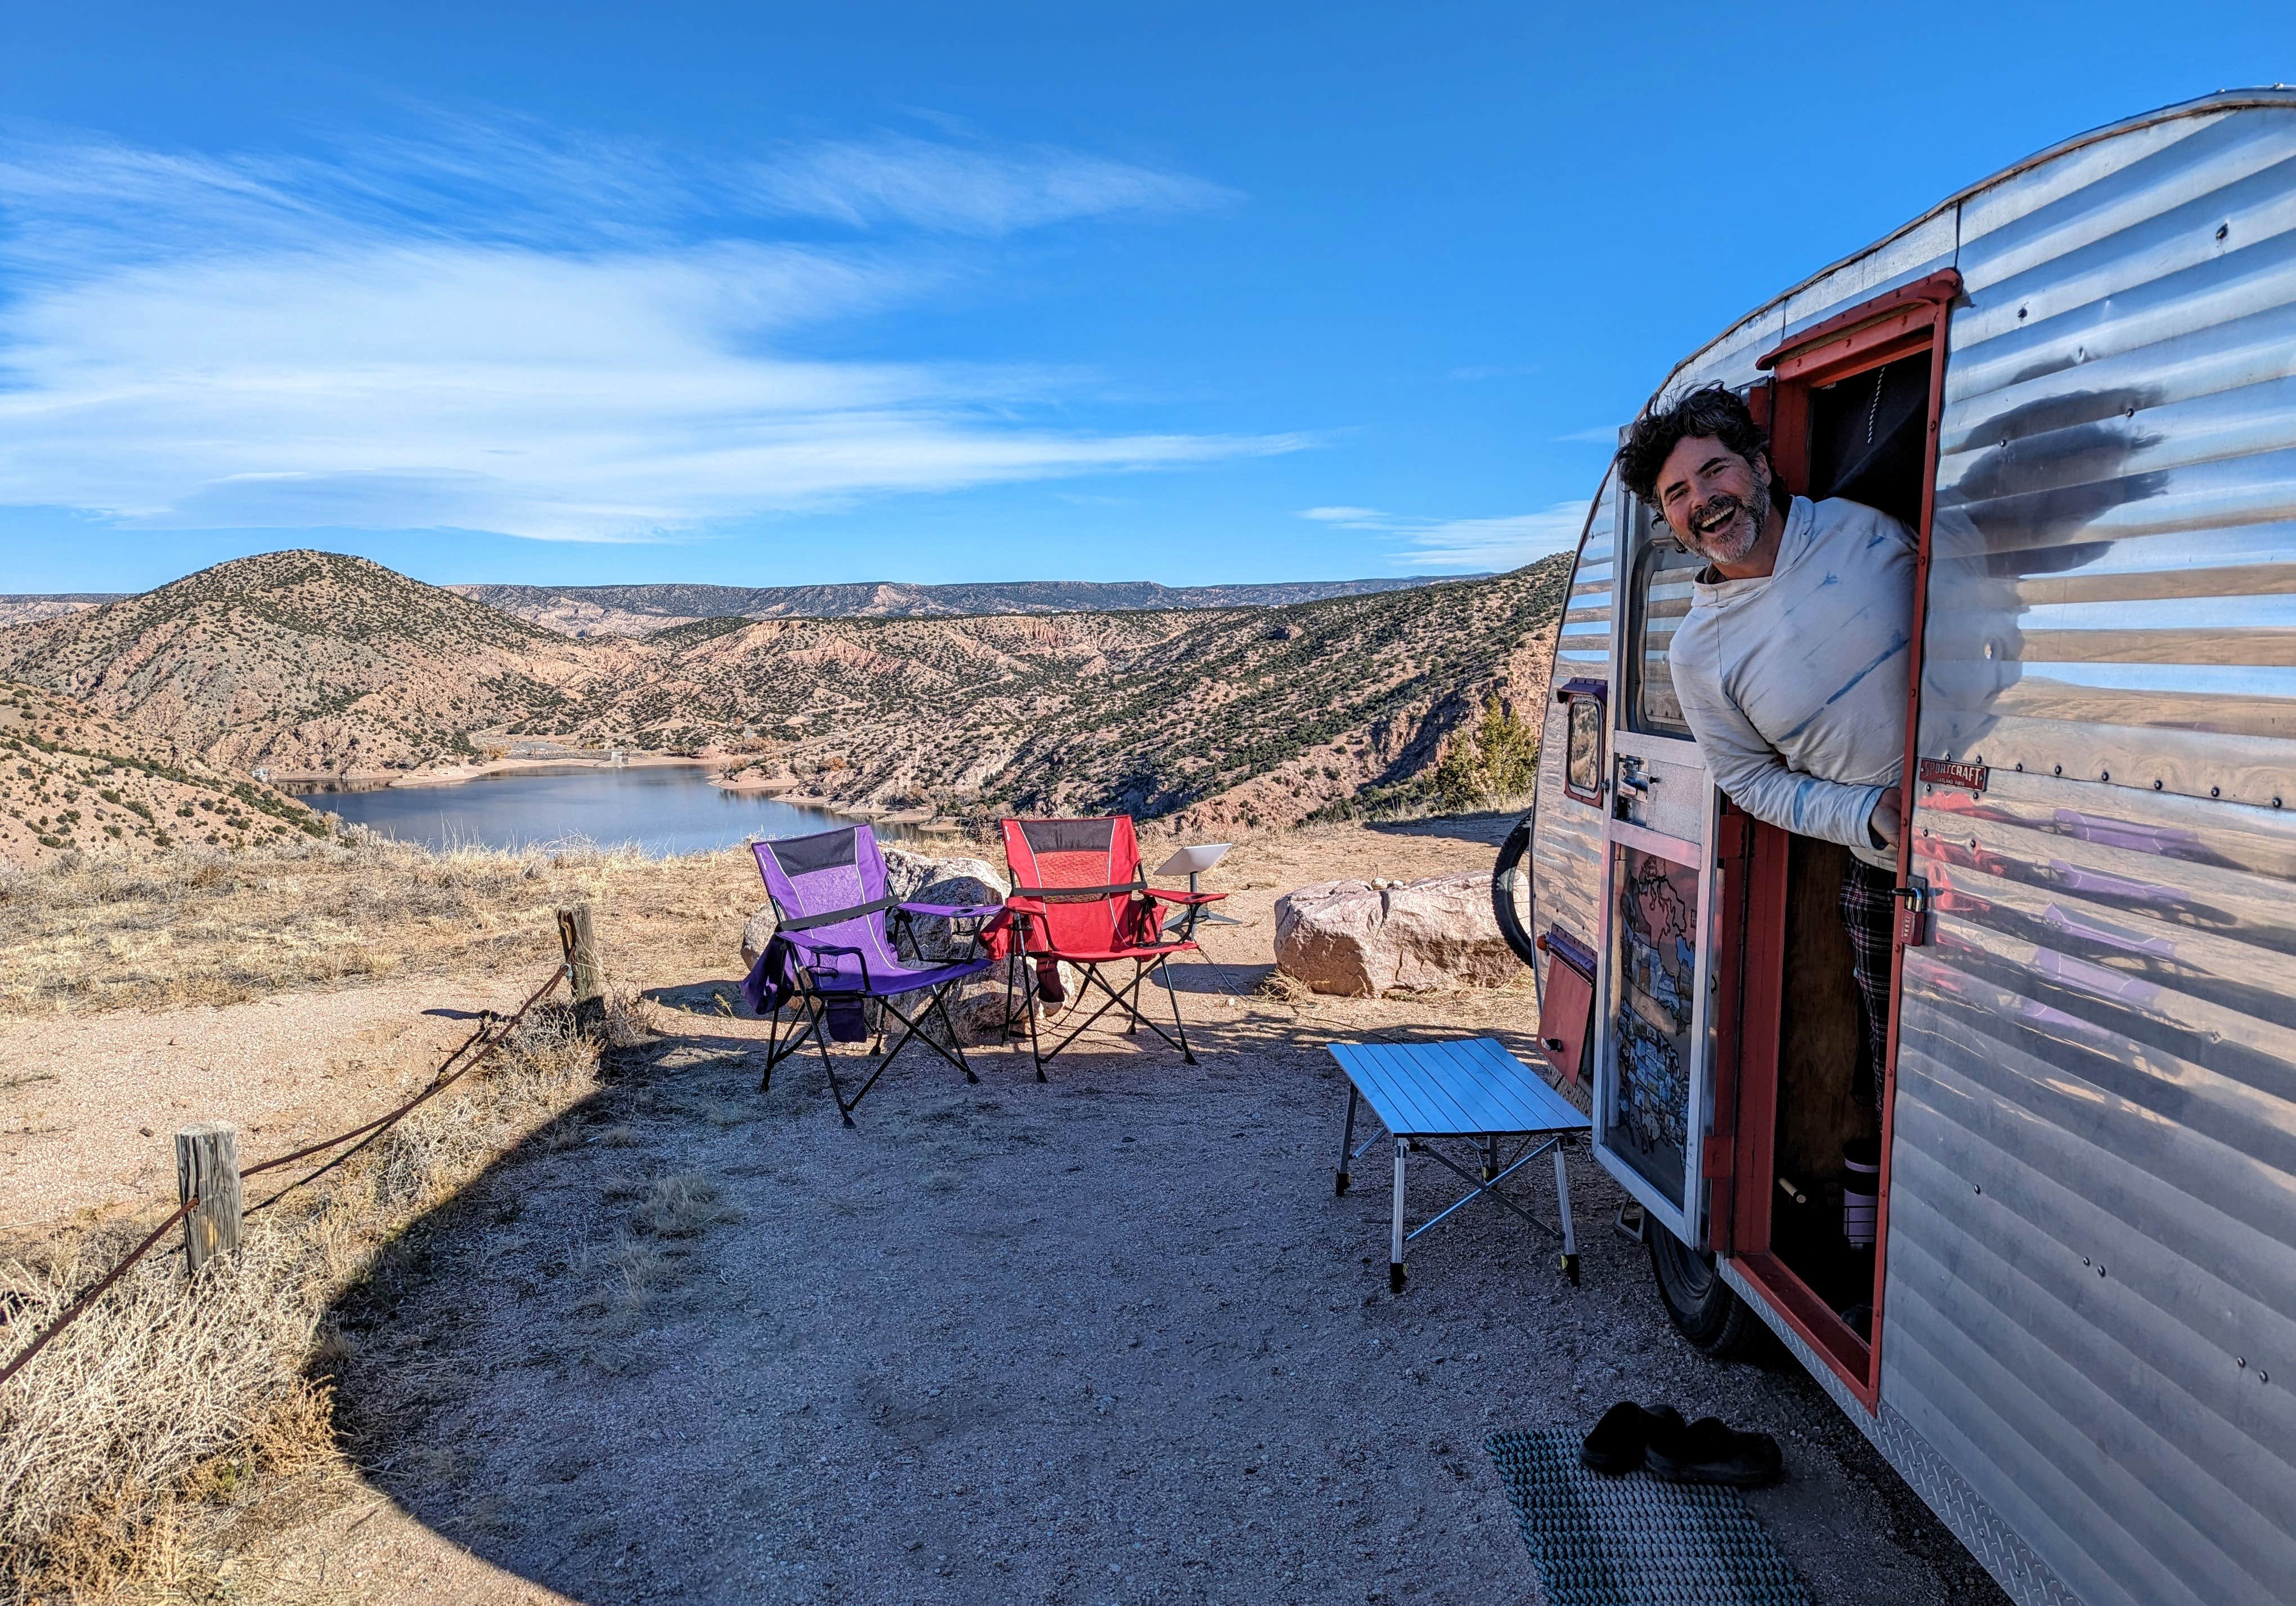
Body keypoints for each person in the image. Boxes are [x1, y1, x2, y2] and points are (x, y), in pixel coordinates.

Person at [1615, 384, 1914, 1112]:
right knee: (1907, 1089)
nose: (1703, 499)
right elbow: (1747, 781)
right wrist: (1866, 813)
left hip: (2009, 818)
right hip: (1889, 871)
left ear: (1759, 466)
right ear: (1675, 525)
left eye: (1715, 470)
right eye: (1678, 493)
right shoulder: (1697, 653)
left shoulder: (1867, 527)